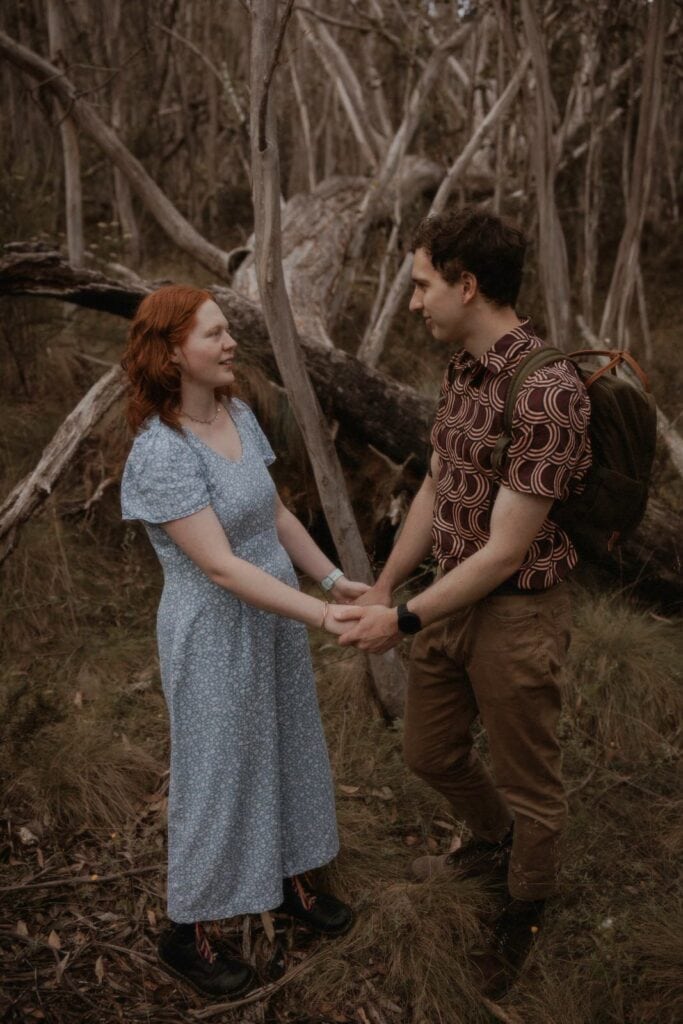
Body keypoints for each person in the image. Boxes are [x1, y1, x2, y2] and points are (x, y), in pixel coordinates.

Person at [337, 209, 591, 996]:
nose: (414, 303)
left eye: (421, 285)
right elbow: (439, 487)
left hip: (515, 612)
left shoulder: (547, 392)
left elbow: (506, 549)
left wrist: (402, 618)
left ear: (466, 285)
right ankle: (492, 841)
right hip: (450, 599)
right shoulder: (462, 369)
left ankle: (525, 909)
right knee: (428, 750)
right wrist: (385, 585)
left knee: (530, 784)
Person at [120, 285, 365, 999]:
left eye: (229, 332)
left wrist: (330, 581)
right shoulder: (161, 452)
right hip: (215, 630)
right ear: (172, 353)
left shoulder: (238, 414)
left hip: (277, 615)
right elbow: (222, 566)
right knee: (218, 769)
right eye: (215, 334)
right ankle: (188, 929)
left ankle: (286, 878)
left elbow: (274, 512)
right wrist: (317, 618)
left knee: (287, 742)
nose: (231, 344)